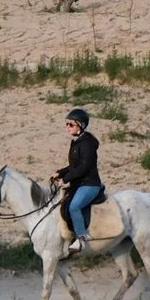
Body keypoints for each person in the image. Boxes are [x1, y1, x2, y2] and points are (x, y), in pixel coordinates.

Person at [54, 107, 104, 257]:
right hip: (80, 183)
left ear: (81, 126)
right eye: (67, 124)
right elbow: (73, 166)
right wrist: (60, 172)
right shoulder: (76, 143)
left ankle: (81, 237)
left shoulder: (87, 144)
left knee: (74, 207)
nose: (68, 127)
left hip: (90, 184)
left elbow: (83, 167)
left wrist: (66, 178)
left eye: (71, 124)